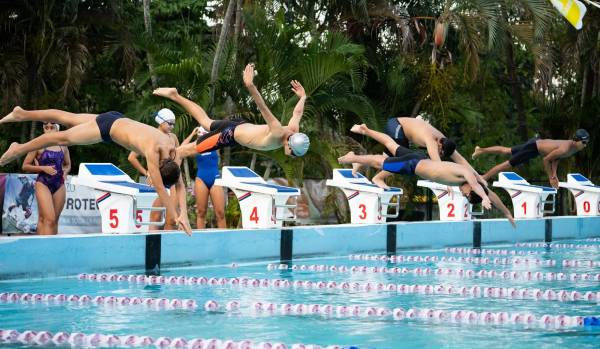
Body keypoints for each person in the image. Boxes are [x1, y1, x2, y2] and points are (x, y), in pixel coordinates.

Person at [0, 107, 192, 235]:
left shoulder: (171, 147)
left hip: (117, 118)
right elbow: (159, 187)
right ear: (159, 168)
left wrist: (183, 212)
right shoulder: (152, 152)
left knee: (67, 117)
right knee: (62, 138)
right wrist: (176, 216)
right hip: (108, 128)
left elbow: (180, 185)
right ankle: (19, 148)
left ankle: (22, 114)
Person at [338, 126, 516, 227]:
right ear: (471, 189)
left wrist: (506, 212)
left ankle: (366, 131)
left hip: (418, 160)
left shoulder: (469, 182)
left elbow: (487, 191)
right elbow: (480, 189)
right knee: (380, 163)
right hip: (413, 165)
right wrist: (483, 197)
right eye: (466, 194)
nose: (462, 193)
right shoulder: (467, 174)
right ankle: (354, 157)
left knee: (390, 145)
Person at [153, 64, 310, 158]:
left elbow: (297, 114)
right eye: (294, 154)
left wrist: (303, 97)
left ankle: (175, 95)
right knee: (187, 151)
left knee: (205, 121)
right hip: (228, 135)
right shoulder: (277, 132)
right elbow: (263, 107)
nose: (293, 157)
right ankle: (158, 159)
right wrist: (250, 86)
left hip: (238, 127)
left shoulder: (293, 130)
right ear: (289, 145)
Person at [354, 118, 486, 187]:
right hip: (397, 125)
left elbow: (461, 160)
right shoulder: (432, 141)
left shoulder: (443, 141)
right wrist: (448, 186)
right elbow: (438, 167)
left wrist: (479, 178)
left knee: (389, 157)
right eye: (440, 151)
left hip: (401, 131)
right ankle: (377, 176)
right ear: (439, 143)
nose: (438, 153)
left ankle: (358, 162)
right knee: (400, 159)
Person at [472, 129, 590, 188]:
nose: (585, 145)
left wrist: (554, 174)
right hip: (533, 148)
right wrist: (550, 178)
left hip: (535, 146)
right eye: (584, 142)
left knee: (507, 150)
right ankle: (484, 177)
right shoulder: (566, 148)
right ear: (576, 140)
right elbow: (546, 160)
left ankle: (480, 150)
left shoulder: (574, 148)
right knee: (507, 164)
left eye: (587, 143)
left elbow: (556, 158)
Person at [128, 108, 180, 231]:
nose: (172, 126)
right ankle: (152, 247)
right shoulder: (150, 137)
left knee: (171, 220)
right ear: (161, 122)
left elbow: (178, 158)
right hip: (158, 181)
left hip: (171, 182)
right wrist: (148, 173)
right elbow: (132, 157)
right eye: (170, 123)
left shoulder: (173, 138)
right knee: (155, 216)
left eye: (173, 123)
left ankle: (168, 248)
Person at [21, 122, 71, 235]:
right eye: (46, 127)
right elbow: (25, 165)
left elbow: (67, 164)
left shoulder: (63, 146)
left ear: (57, 129)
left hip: (59, 184)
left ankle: (52, 248)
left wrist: (65, 172)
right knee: (49, 218)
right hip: (43, 183)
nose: (48, 129)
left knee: (53, 221)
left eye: (51, 127)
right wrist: (43, 168)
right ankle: (45, 247)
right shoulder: (38, 144)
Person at [181, 127, 226, 229]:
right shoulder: (196, 147)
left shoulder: (216, 144)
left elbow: (226, 134)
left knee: (220, 213)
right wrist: (192, 133)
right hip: (201, 179)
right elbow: (181, 148)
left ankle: (224, 241)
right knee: (201, 212)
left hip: (215, 178)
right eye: (200, 136)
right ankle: (201, 241)